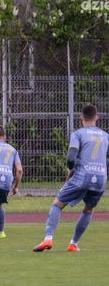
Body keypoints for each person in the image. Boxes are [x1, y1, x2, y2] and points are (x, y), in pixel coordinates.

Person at [33, 104, 109, 252]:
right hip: (101, 178)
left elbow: (71, 157)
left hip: (82, 176)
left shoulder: (78, 134)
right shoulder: (106, 136)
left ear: (81, 118)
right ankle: (73, 244)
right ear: (97, 118)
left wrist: (71, 169)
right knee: (88, 209)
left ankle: (48, 238)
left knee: (57, 204)